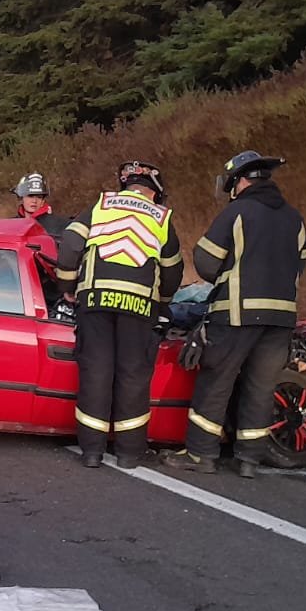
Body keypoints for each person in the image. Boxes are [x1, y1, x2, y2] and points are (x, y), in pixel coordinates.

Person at [166, 151, 306, 479]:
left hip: (236, 313)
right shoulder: (295, 218)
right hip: (281, 317)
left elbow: (205, 260)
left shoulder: (237, 212)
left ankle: (201, 453)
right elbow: (301, 261)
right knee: (260, 386)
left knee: (216, 380)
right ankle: (249, 459)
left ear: (240, 182)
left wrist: (228, 276)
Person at [56, 161, 183, 468]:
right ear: (155, 192)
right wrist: (161, 302)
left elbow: (71, 245)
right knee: (133, 377)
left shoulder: (100, 206)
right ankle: (128, 454)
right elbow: (173, 270)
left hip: (96, 300)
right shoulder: (162, 218)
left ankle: (91, 452)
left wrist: (67, 285)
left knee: (96, 372)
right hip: (140, 307)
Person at [13, 173, 69, 240]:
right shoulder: (11, 224)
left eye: (39, 197)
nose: (34, 201)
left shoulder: (60, 225)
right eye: (30, 196)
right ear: (21, 198)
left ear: (43, 201)